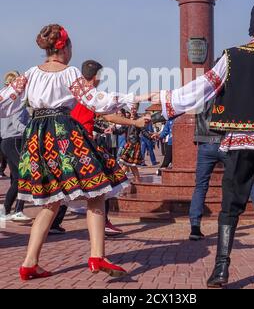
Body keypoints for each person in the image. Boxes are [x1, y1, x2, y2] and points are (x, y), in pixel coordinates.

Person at [142, 0, 254, 288]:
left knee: (230, 206)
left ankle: (221, 270)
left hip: (237, 141)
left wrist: (168, 101)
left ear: (251, 28)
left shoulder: (231, 56)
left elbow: (203, 88)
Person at [0, 24, 142, 281]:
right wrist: (129, 97)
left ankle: (29, 262)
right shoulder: (69, 73)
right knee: (96, 189)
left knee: (51, 200)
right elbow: (94, 101)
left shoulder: (30, 73)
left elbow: (5, 100)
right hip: (63, 134)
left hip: (38, 137)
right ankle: (97, 255)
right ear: (64, 47)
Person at [50, 60, 147, 236]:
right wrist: (134, 121)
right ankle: (104, 223)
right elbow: (109, 115)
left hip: (65, 143)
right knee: (106, 181)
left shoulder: (71, 93)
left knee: (66, 184)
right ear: (97, 77)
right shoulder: (90, 96)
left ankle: (53, 223)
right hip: (82, 145)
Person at [189, 98, 254, 241]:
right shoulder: (229, 93)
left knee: (201, 186)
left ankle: (195, 228)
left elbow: (181, 105)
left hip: (205, 144)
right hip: (225, 143)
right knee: (248, 181)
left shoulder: (200, 95)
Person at [0, 71, 31, 222]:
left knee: (17, 177)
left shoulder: (4, 104)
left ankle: (7, 210)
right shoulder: (16, 103)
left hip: (6, 141)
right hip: (15, 140)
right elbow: (19, 124)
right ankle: (15, 210)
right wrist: (32, 131)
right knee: (23, 175)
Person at [118, 105, 154, 181]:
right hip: (128, 144)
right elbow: (121, 130)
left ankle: (118, 181)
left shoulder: (139, 119)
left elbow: (143, 131)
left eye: (134, 109)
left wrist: (150, 137)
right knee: (131, 165)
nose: (133, 110)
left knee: (127, 164)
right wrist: (113, 130)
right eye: (131, 109)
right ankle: (137, 180)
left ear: (137, 109)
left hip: (134, 144)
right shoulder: (127, 119)